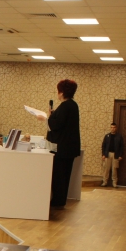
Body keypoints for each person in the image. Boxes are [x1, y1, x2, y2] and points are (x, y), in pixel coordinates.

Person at [41, 79, 81, 209]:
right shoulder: (73, 105)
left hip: (62, 149)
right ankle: (60, 200)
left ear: (62, 92)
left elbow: (56, 125)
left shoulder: (65, 106)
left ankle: (58, 201)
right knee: (65, 175)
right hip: (69, 148)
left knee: (59, 175)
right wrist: (52, 116)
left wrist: (45, 118)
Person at [101, 122, 124, 188]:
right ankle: (105, 182)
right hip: (107, 154)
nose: (112, 129)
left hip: (115, 155)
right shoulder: (107, 136)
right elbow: (103, 146)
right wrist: (103, 154)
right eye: (111, 127)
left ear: (116, 128)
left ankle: (114, 183)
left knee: (114, 169)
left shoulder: (119, 136)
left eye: (114, 127)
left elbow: (122, 147)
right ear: (110, 128)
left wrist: (120, 155)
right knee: (106, 169)